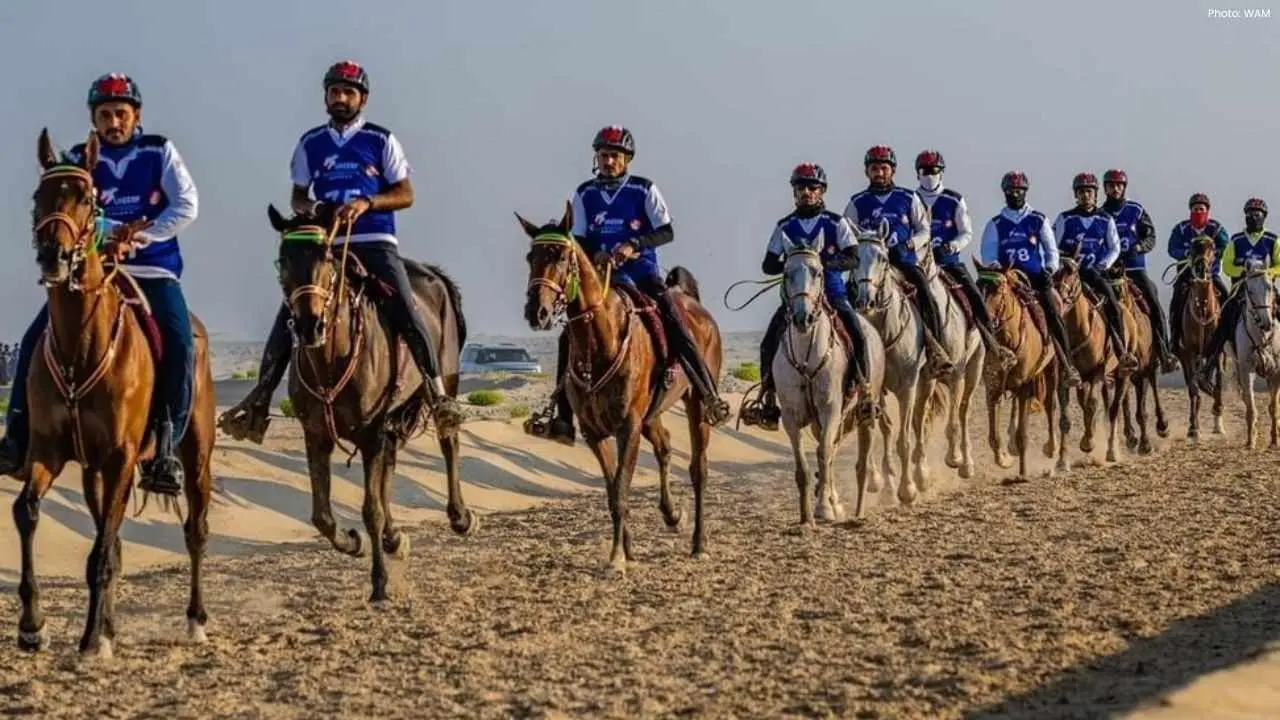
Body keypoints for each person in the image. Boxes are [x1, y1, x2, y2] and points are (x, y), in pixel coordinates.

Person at [219, 60, 463, 443]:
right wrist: (316, 207)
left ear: (362, 99)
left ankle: (436, 393)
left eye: (349, 92)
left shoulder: (381, 140)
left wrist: (367, 203)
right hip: (327, 246)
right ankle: (259, 402)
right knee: (290, 314)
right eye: (335, 91)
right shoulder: (311, 143)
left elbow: (406, 194)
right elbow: (298, 196)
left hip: (375, 242)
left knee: (406, 308)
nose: (341, 98)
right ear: (326, 97)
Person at [0, 73, 199, 495]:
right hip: (93, 273)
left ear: (135, 116)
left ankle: (166, 447)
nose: (113, 122)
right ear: (94, 119)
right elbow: (68, 211)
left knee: (182, 343)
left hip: (152, 270)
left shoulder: (158, 150)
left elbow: (186, 205)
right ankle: (16, 438)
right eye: (105, 115)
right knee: (34, 338)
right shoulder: (77, 158)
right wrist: (107, 233)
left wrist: (141, 235)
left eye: (120, 114)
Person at [528, 125, 731, 446]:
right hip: (601, 280)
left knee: (675, 319)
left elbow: (666, 231)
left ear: (627, 159)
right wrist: (594, 254)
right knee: (570, 335)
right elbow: (578, 239)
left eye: (615, 156)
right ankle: (562, 416)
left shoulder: (643, 189)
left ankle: (707, 394)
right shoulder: (584, 193)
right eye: (604, 155)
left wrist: (633, 245)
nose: (609, 161)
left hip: (642, 274)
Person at [739, 163, 872, 430]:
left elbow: (854, 258)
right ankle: (768, 398)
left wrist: (824, 264)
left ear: (822, 191)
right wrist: (793, 264)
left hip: (832, 292)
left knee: (856, 333)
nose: (807, 192)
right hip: (795, 298)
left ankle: (865, 391)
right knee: (768, 342)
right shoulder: (784, 226)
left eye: (813, 187)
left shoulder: (836, 223)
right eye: (801, 187)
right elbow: (768, 265)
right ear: (794, 192)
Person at [844, 145, 952, 374]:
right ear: (867, 171)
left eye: (884, 168)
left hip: (903, 261)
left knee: (926, 293)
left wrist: (909, 244)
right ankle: (849, 359)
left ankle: (936, 349)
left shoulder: (908, 198)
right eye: (874, 168)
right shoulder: (857, 202)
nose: (879, 173)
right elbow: (846, 235)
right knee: (845, 297)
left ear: (892, 170)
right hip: (869, 266)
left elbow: (924, 230)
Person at [978, 171, 1081, 386]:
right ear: (1004, 193)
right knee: (983, 306)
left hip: (1034, 277)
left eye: (1019, 190)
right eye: (1011, 190)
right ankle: (981, 357)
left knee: (1053, 309)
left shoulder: (1038, 220)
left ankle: (1067, 365)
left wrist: (1050, 268)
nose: (1015, 194)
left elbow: (1051, 250)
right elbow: (988, 253)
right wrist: (995, 267)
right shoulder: (995, 223)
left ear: (1025, 192)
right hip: (1005, 278)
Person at [913, 149, 1012, 366]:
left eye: (934, 170)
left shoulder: (954, 200)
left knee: (975, 295)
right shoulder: (911, 199)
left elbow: (966, 232)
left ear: (942, 172)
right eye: (925, 171)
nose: (930, 175)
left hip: (949, 262)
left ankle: (992, 345)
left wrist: (952, 245)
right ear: (918, 174)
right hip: (918, 264)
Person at [1051, 172, 1136, 368]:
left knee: (1113, 305)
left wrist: (1103, 265)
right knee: (1050, 305)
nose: (1085, 195)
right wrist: (1064, 259)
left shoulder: (1105, 219)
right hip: (1069, 273)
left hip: (1094, 273)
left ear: (1096, 194)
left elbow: (1114, 247)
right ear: (1076, 194)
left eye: (1089, 191)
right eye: (1081, 192)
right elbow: (1052, 246)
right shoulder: (1065, 218)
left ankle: (1121, 351)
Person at [1195, 197, 1280, 392]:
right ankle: (1209, 365)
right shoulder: (1236, 240)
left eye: (1257, 214)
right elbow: (1227, 265)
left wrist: (1268, 273)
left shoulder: (1272, 240)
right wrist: (1243, 272)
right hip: (1241, 288)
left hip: (1266, 289)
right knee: (1225, 318)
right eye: (1250, 214)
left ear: (1264, 217)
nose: (1253, 217)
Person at [1102, 169, 1177, 372]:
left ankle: (1164, 352)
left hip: (1135, 268)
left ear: (1124, 187)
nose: (1115, 189)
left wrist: (1140, 247)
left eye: (1119, 185)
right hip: (1109, 271)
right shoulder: (1100, 214)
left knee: (1153, 301)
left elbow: (1150, 236)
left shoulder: (1136, 210)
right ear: (1105, 188)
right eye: (1111, 185)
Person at [1167, 193, 1230, 355]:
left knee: (1226, 297)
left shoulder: (1216, 228)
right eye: (1195, 209)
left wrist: (1214, 254)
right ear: (1190, 210)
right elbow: (1172, 248)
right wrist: (1187, 254)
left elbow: (1227, 246)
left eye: (1201, 209)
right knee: (1177, 299)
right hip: (1188, 275)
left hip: (1211, 275)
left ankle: (1228, 339)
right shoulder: (1181, 228)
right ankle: (1174, 338)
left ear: (1207, 210)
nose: (1198, 212)